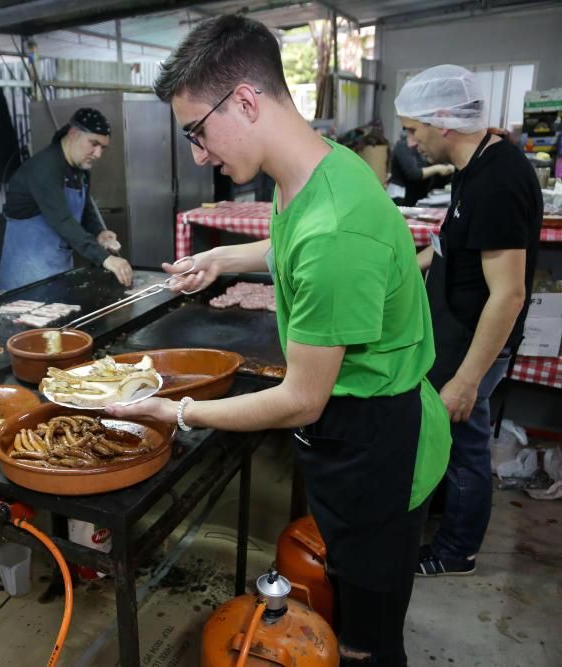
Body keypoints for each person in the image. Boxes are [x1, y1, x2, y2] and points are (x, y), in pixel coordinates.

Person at [107, 16, 450, 666]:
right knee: (346, 592)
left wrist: (176, 411)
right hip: (355, 429)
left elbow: (300, 399)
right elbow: (292, 239)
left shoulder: (335, 231)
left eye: (197, 132)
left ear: (244, 99)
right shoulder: (321, 170)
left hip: (374, 443)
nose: (198, 154)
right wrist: (225, 261)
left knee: (368, 642)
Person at [394, 65, 543, 577]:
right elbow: (449, 248)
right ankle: (443, 518)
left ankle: (457, 550)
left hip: (475, 349)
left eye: (413, 130)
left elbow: (508, 293)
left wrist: (467, 380)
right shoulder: (474, 165)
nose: (409, 142)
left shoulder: (498, 180)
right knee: (450, 442)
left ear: (444, 123)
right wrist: (397, 273)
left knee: (465, 449)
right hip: (454, 334)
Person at [0, 107, 133, 291]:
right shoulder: (44, 169)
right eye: (93, 143)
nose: (98, 154)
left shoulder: (80, 169)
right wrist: (105, 258)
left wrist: (98, 232)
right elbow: (63, 220)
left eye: (103, 148)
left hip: (56, 269)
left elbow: (85, 209)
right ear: (74, 133)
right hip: (24, 275)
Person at [388, 129, 455, 206]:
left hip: (420, 198)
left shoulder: (424, 147)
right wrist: (437, 168)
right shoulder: (403, 146)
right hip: (400, 197)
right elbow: (413, 173)